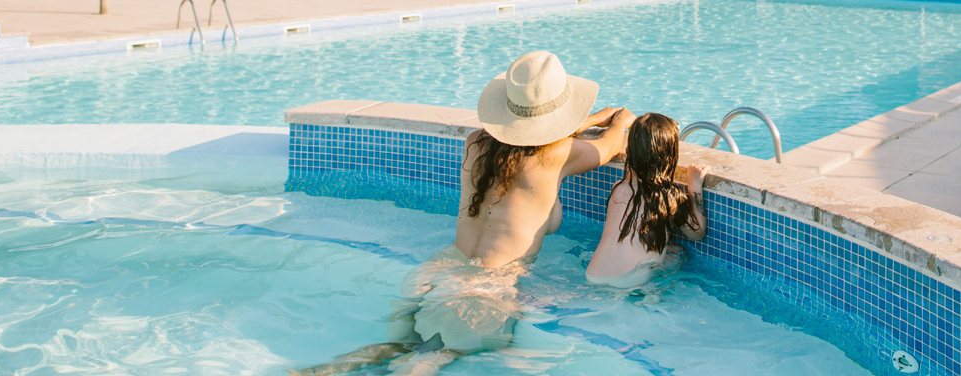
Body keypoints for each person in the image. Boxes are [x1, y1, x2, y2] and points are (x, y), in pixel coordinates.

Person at [292, 50, 633, 376]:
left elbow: (530, 138)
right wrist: (619, 118)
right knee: (436, 356)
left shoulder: (476, 143)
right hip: (490, 282)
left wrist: (588, 118)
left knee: (397, 346)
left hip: (441, 265)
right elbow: (612, 143)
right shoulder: (559, 155)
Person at [585, 113, 707, 289]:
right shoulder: (669, 198)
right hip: (630, 280)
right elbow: (697, 233)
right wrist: (694, 185)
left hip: (593, 274)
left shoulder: (619, 188)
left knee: (666, 247)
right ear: (670, 157)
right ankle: (651, 296)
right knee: (679, 253)